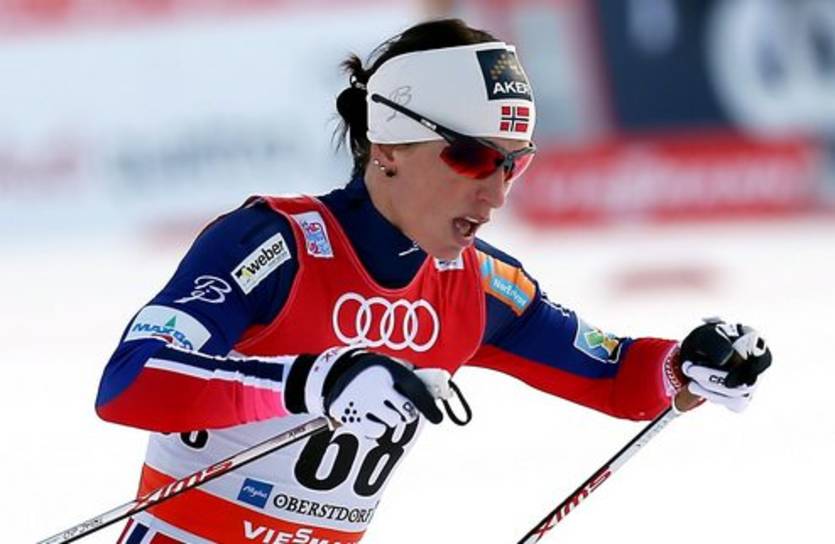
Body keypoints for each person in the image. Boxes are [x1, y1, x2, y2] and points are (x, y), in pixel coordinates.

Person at [95, 18, 771, 544]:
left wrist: (688, 364)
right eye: (471, 157)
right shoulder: (273, 244)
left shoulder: (478, 287)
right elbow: (130, 381)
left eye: (513, 165)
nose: (495, 194)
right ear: (387, 146)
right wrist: (314, 381)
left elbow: (618, 377)